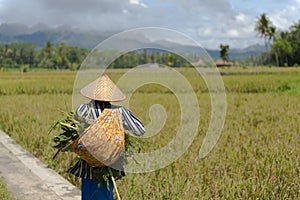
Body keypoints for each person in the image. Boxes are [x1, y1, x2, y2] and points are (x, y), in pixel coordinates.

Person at [67, 74, 145, 200]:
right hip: (109, 165)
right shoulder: (119, 112)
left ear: (92, 94)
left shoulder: (83, 109)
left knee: (88, 195)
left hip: (88, 166)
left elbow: (75, 125)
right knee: (105, 194)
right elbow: (140, 130)